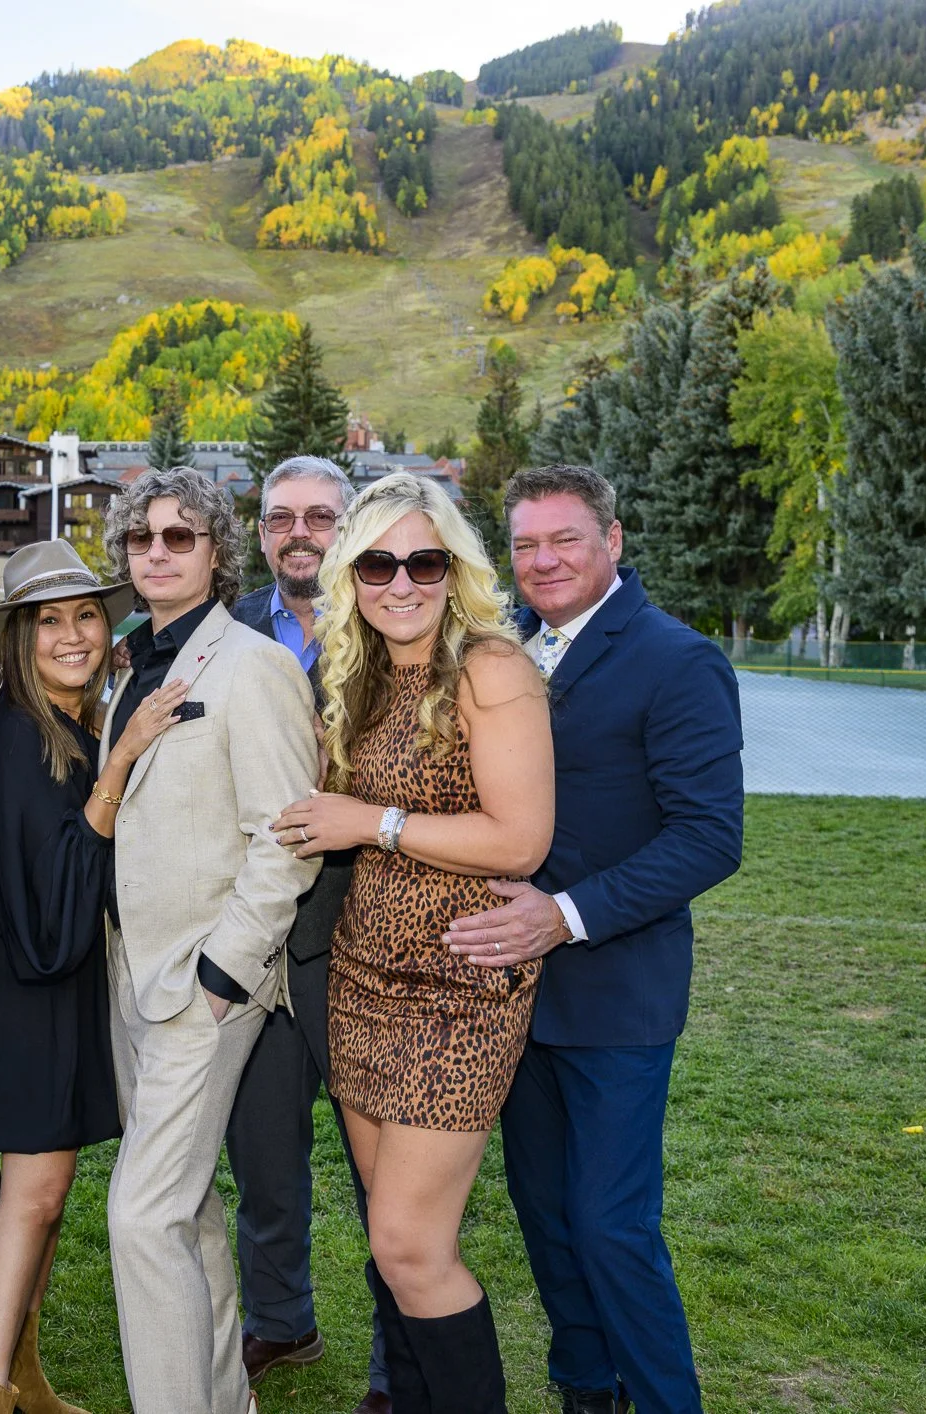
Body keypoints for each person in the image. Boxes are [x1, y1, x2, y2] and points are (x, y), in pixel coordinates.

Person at [445, 464, 744, 1414]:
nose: (542, 560)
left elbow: (708, 835)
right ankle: (584, 1389)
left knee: (611, 1226)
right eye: (525, 543)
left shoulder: (676, 658)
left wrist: (562, 916)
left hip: (615, 989)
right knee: (543, 1215)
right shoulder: (507, 652)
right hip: (510, 995)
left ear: (612, 541)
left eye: (563, 539)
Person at [271, 471, 554, 1414]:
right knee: (395, 1248)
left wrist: (372, 821)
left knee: (409, 1247)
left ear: (452, 568)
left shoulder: (489, 667)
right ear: (351, 575)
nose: (401, 582)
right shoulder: (355, 675)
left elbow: (519, 839)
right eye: (379, 562)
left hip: (459, 992)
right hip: (360, 982)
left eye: (422, 561)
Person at [97, 466, 322, 1414]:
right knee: (185, 1216)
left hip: (204, 987)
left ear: (217, 552)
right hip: (126, 980)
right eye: (142, 537)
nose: (157, 551)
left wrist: (224, 971)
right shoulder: (127, 663)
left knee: (140, 1216)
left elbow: (285, 833)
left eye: (179, 536)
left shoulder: (253, 666)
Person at [0, 540, 185, 1414]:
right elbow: (49, 890)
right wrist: (118, 766)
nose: (72, 634)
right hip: (27, 984)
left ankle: (25, 1375)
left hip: (68, 982)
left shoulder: (74, 719)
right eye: (48, 620)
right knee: (32, 1195)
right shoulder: (19, 734)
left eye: (86, 614)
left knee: (50, 1199)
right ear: (18, 638)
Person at [226, 455, 392, 1413]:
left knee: (383, 1173)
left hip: (363, 938)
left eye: (321, 517)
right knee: (262, 1157)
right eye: (281, 517)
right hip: (258, 933)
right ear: (259, 533)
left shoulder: (393, 620)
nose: (301, 532)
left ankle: (392, 1367)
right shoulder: (229, 631)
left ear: (350, 527)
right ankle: (279, 1321)